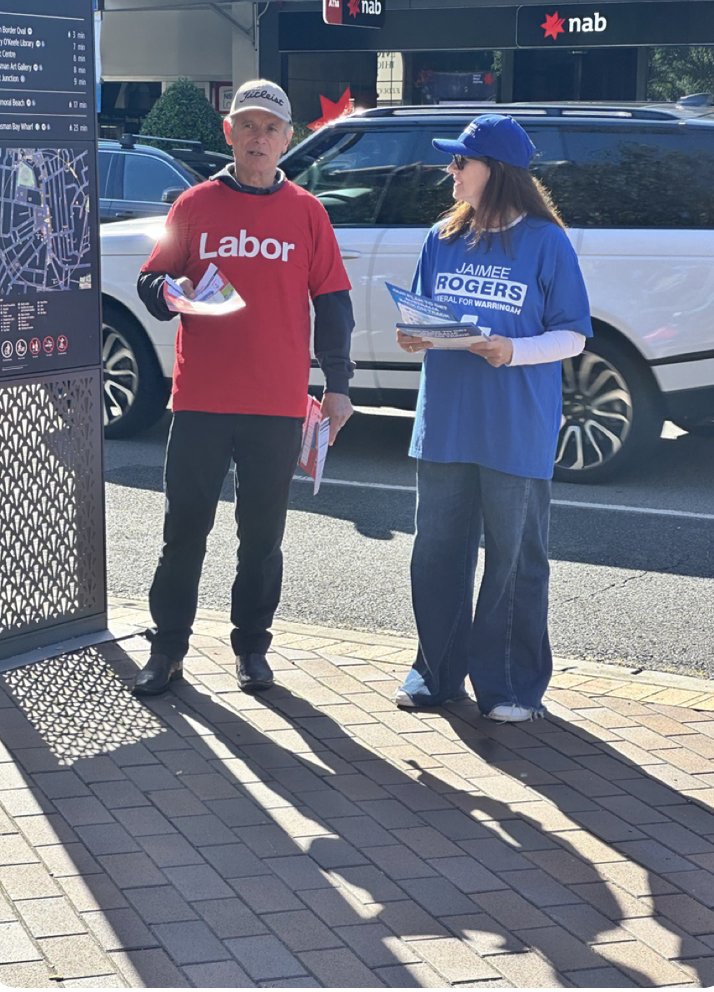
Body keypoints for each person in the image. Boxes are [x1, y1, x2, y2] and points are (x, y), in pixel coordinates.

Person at [132, 79, 355, 696]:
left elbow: (333, 302)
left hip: (277, 404)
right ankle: (168, 647)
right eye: (248, 126)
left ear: (289, 139)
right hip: (201, 399)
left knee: (262, 539)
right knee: (184, 532)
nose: (259, 138)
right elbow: (153, 283)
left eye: (271, 128)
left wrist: (338, 386)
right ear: (229, 132)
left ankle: (252, 648)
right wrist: (170, 294)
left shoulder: (307, 212)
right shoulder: (195, 205)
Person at [394, 114, 592, 722]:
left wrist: (513, 351)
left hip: (516, 422)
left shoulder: (546, 241)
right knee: (437, 551)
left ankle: (509, 685)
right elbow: (423, 314)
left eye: (461, 162)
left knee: (514, 555)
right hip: (446, 420)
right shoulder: (440, 237)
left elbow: (574, 335)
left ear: (497, 172)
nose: (450, 172)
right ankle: (436, 672)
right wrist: (416, 336)